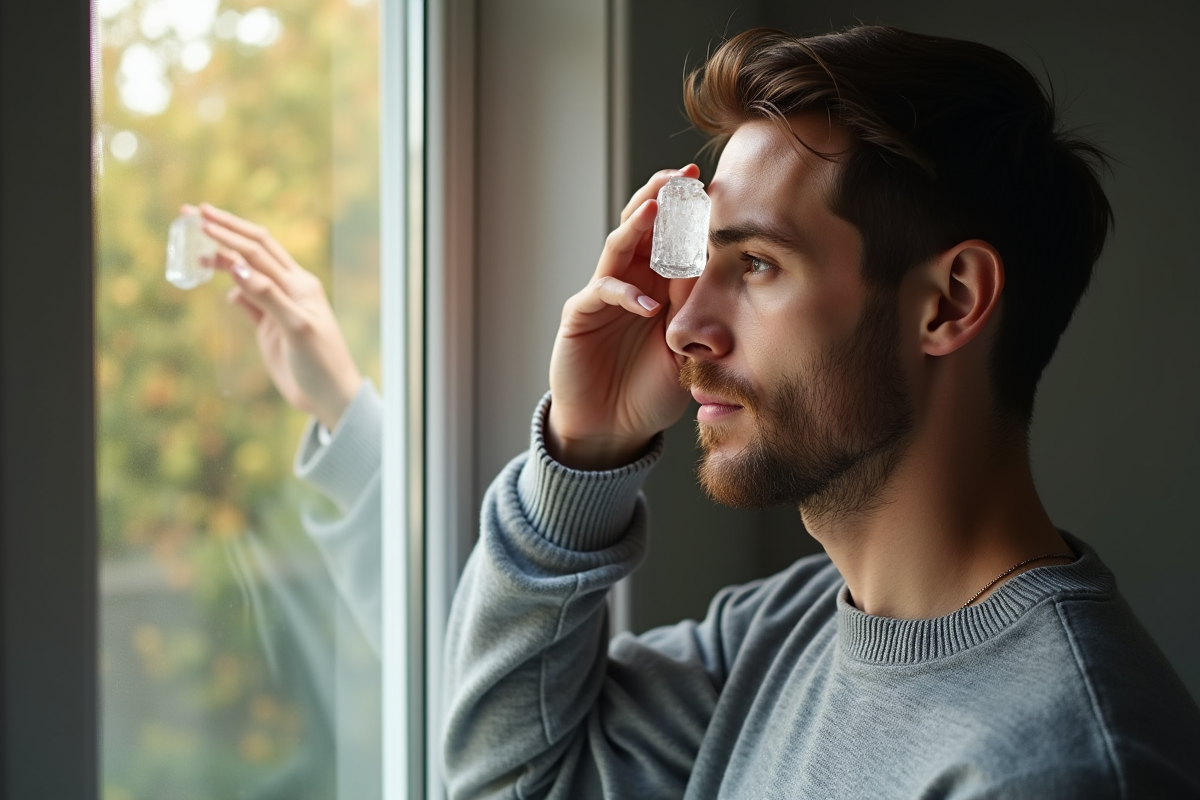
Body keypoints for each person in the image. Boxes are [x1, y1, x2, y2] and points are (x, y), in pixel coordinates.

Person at [196, 24, 1200, 799]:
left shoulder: (1060, 764)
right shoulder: (781, 630)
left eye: (756, 264)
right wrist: (580, 457)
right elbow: (513, 780)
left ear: (947, 302)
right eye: (698, 264)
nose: (684, 330)